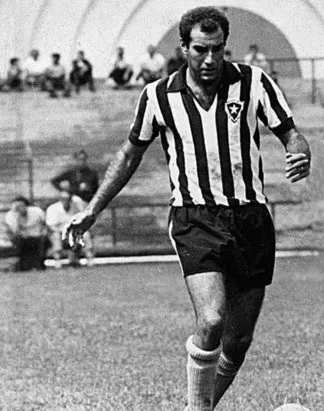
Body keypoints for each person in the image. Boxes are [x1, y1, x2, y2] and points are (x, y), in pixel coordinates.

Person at [62, 7, 311, 410]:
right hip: (195, 217)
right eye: (200, 50)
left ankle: (201, 406)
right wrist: (92, 210)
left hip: (250, 218)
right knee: (212, 320)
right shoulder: (157, 96)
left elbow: (292, 135)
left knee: (239, 339)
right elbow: (128, 156)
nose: (210, 60)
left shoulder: (255, 83)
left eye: (217, 50)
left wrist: (300, 153)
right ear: (183, 48)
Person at [5, 196, 48, 271]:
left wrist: (42, 232)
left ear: (26, 206)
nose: (20, 208)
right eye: (17, 207)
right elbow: (14, 232)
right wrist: (18, 218)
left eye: (21, 206)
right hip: (21, 238)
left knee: (42, 240)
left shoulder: (37, 212)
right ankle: (23, 266)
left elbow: (44, 225)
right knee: (19, 240)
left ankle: (40, 265)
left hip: (37, 236)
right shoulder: (11, 216)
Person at [45, 191, 83, 268]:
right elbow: (51, 226)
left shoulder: (77, 208)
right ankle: (58, 261)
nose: (66, 200)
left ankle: (85, 261)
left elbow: (81, 221)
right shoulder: (52, 209)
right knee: (56, 237)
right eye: (63, 198)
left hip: (73, 231)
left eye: (68, 198)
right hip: (58, 232)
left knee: (85, 235)